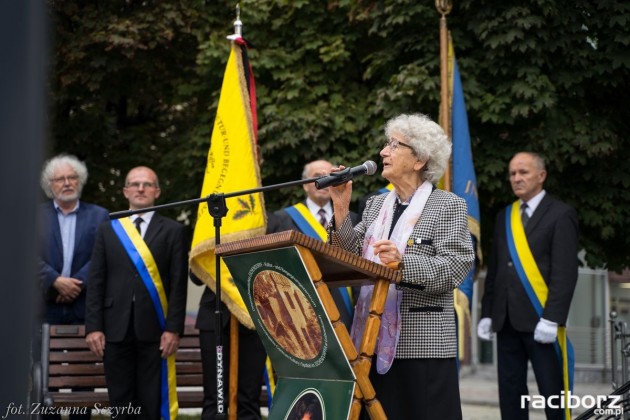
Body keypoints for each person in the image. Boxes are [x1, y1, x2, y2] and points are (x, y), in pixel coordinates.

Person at [327, 113, 475, 419]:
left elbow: (454, 268)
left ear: (419, 159)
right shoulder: (375, 205)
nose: (383, 151)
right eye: (386, 144)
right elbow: (347, 257)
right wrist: (341, 210)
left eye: (394, 145)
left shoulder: (448, 205)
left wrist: (403, 264)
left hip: (423, 350)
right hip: (369, 340)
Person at [477, 151, 579, 420]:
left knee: (552, 393)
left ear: (541, 176)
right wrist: (487, 312)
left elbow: (565, 273)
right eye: (512, 173)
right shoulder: (504, 216)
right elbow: (496, 270)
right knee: (511, 393)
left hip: (541, 320)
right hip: (506, 320)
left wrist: (553, 318)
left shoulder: (561, 214)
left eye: (523, 172)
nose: (516, 178)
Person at [85, 166, 188, 419]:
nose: (141, 189)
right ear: (125, 191)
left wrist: (173, 329)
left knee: (150, 401)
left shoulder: (173, 231)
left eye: (147, 184)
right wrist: (93, 327)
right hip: (114, 329)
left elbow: (178, 285)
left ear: (157, 192)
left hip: (155, 328)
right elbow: (96, 280)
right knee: (120, 402)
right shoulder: (108, 229)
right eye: (135, 184)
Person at [191, 212, 290, 420]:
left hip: (256, 315)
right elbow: (195, 275)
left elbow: (282, 265)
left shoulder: (272, 221)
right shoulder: (211, 220)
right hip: (215, 317)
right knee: (214, 399)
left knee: (249, 398)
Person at [38, 154, 109, 420]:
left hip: (85, 305)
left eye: (72, 178)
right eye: (60, 179)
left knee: (83, 373)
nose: (67, 183)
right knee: (43, 373)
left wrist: (75, 283)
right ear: (50, 185)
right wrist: (54, 280)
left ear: (80, 181)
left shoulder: (99, 215)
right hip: (45, 305)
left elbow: (102, 256)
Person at [274, 160, 360, 329]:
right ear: (305, 185)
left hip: (344, 308)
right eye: (317, 177)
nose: (325, 181)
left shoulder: (354, 219)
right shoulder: (283, 219)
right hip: (301, 308)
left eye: (329, 176)